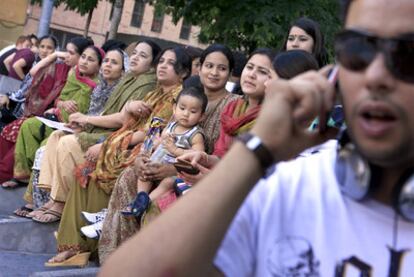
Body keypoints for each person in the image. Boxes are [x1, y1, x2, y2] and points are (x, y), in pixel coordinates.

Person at [99, 0, 414, 276]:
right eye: (359, 49)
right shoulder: (293, 184)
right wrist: (254, 153)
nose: (374, 76)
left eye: (407, 53)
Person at [43, 46, 191, 267]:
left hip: (147, 150)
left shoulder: (177, 97)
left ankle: (83, 246)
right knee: (85, 171)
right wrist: (124, 113)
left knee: (92, 170)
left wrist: (109, 145)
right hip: (128, 142)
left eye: (170, 63)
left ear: (183, 72)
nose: (163, 66)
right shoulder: (154, 93)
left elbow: (151, 134)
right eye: (161, 61)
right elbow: (125, 119)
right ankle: (73, 246)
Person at [98, 44, 239, 263]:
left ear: (230, 73)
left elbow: (215, 156)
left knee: (162, 188)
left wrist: (170, 169)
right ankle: (115, 257)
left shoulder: (232, 105)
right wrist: (143, 159)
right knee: (130, 175)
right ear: (199, 69)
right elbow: (162, 137)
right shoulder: (187, 98)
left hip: (195, 176)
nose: (213, 72)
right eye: (209, 66)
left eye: (221, 68)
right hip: (167, 162)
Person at [22, 40, 160, 221]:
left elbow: (124, 119)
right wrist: (84, 124)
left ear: (151, 64)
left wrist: (86, 119)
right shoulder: (130, 79)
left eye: (143, 56)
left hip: (119, 134)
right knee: (56, 136)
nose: (135, 57)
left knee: (67, 142)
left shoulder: (145, 84)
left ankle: (61, 203)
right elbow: (106, 112)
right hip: (104, 128)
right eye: (134, 53)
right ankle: (53, 199)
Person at [1, 44, 100, 189]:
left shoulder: (98, 86)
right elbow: (59, 100)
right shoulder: (75, 76)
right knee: (26, 126)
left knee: (44, 143)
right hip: (54, 118)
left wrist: (71, 116)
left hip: (76, 127)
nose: (84, 61)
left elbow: (94, 113)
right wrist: (63, 104)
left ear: (99, 65)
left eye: (90, 59)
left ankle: (35, 189)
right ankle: (22, 175)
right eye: (84, 57)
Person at [120, 87, 207, 220]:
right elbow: (160, 142)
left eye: (193, 111)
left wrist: (176, 150)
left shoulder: (195, 135)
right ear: (174, 108)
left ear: (201, 116)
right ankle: (140, 198)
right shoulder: (171, 126)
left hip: (176, 170)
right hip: (159, 161)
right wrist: (156, 144)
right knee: (145, 173)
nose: (186, 114)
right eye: (182, 108)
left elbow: (198, 155)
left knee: (167, 183)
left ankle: (148, 200)